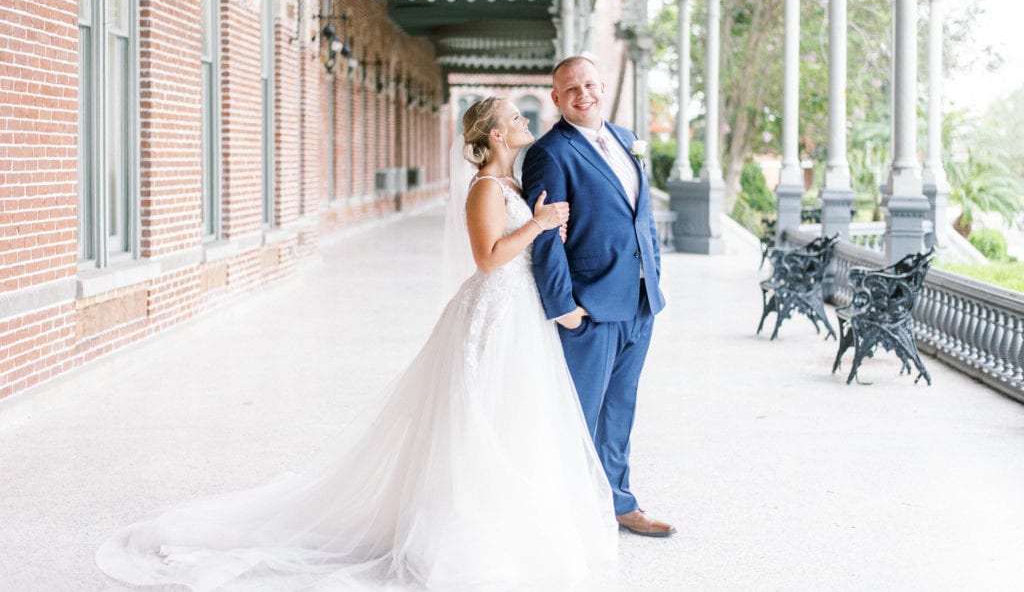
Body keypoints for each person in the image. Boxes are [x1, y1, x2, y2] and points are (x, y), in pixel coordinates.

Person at [95, 97, 617, 591]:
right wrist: (540, 225)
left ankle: (514, 518)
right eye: (515, 116)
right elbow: (487, 257)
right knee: (483, 416)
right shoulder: (484, 187)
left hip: (521, 309)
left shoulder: (512, 181)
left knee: (518, 415)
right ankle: (464, 530)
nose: (526, 120)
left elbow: (521, 242)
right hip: (496, 309)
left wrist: (549, 226)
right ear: (497, 133)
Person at [521, 56, 675, 538]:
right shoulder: (550, 153)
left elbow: (641, 216)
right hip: (589, 306)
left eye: (588, 84)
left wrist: (655, 272)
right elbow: (545, 235)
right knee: (579, 413)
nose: (582, 93)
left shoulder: (630, 140)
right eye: (570, 88)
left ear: (602, 86)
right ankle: (567, 510)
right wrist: (563, 306)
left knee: (619, 409)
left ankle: (619, 502)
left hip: (640, 301)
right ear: (556, 98)